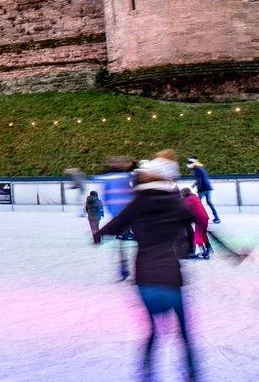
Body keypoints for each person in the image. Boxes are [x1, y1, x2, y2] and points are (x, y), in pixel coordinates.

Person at [96, 154, 198, 382]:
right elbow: (200, 222)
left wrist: (98, 234)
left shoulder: (139, 202)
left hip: (145, 276)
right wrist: (232, 254)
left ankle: (146, 374)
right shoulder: (174, 201)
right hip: (170, 276)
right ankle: (192, 375)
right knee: (184, 332)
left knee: (153, 330)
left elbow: (116, 225)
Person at [186, 158, 220, 223]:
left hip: (203, 188)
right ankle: (216, 217)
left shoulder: (196, 169)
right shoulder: (200, 168)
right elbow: (202, 178)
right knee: (209, 202)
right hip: (208, 187)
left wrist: (199, 188)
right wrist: (194, 184)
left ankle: (197, 217)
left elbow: (199, 179)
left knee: (197, 203)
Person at [181, 187, 211, 260]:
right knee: (203, 234)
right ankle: (208, 248)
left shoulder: (187, 200)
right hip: (205, 218)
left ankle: (202, 252)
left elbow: (182, 206)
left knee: (197, 235)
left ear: (183, 194)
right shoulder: (194, 197)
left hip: (199, 219)